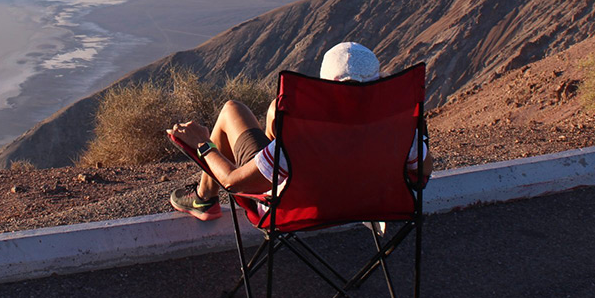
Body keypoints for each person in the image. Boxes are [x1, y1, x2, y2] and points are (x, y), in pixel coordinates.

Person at [168, 42, 433, 221]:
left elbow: (233, 182)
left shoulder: (301, 138)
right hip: (368, 205)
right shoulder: (397, 128)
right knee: (274, 110)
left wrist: (203, 144)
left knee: (231, 110)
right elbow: (421, 174)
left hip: (289, 211)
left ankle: (204, 200)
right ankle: (266, 161)